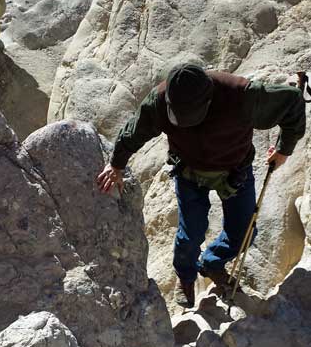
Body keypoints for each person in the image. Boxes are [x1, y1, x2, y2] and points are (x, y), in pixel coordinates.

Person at [97, 64, 306, 308]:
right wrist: (116, 165)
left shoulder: (240, 95)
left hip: (235, 171)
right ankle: (185, 278)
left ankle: (212, 263)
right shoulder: (161, 100)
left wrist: (284, 150)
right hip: (189, 173)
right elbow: (134, 131)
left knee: (243, 234)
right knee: (190, 235)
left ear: (208, 100)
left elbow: (292, 102)